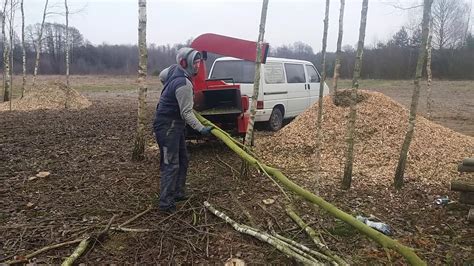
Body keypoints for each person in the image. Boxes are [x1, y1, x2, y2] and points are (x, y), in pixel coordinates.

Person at [153, 47, 212, 213]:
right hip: (167, 126)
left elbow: (161, 76)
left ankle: (178, 193)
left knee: (183, 159)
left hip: (174, 125)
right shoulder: (184, 84)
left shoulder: (172, 70)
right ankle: (166, 203)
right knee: (170, 164)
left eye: (199, 62)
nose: (198, 65)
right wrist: (201, 129)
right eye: (195, 62)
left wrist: (169, 93)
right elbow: (186, 113)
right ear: (185, 63)